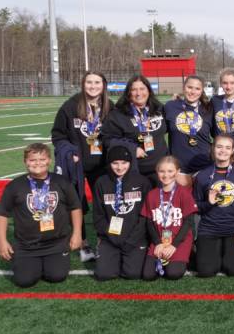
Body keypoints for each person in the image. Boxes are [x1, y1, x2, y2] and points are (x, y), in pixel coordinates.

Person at [0, 144, 82, 287]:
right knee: (24, 280)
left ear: (49, 160)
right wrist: (2, 241)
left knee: (57, 276)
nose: (37, 163)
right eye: (32, 160)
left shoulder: (62, 182)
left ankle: (49, 262)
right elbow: (2, 214)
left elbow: (75, 207)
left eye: (42, 159)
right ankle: (31, 264)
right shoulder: (15, 185)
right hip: (26, 245)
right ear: (25, 162)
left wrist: (77, 233)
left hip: (56, 242)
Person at [51, 70, 111, 261]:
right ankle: (83, 243)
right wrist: (70, 152)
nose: (93, 86)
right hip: (76, 165)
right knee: (76, 203)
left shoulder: (111, 107)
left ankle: (105, 241)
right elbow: (58, 135)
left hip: (102, 164)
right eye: (89, 82)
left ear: (104, 85)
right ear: (83, 84)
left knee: (104, 203)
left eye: (97, 83)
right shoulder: (70, 106)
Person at [193, 135, 234, 278]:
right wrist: (209, 203)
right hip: (209, 229)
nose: (223, 151)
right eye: (219, 146)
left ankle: (224, 252)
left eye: (227, 147)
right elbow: (196, 207)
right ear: (213, 149)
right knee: (206, 271)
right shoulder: (202, 176)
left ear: (233, 151)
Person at [92, 146, 149, 281]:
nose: (119, 167)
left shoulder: (142, 182)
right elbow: (98, 216)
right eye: (115, 163)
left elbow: (145, 216)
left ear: (130, 163)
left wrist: (132, 240)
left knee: (133, 274)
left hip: (134, 238)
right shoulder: (101, 183)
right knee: (103, 274)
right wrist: (111, 237)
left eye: (124, 163)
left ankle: (125, 256)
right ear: (109, 163)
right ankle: (111, 256)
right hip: (110, 237)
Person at [101, 74, 168, 187]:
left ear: (149, 91)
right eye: (134, 90)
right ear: (128, 93)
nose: (138, 93)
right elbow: (107, 139)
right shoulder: (118, 114)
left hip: (160, 169)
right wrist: (131, 148)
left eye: (142, 89)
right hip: (134, 170)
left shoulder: (159, 109)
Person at [141, 156, 198, 281]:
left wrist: (174, 245)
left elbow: (188, 222)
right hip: (160, 240)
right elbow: (149, 222)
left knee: (173, 273)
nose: (166, 175)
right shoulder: (152, 194)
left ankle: (189, 255)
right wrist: (157, 243)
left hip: (179, 240)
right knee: (148, 275)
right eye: (162, 171)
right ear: (157, 172)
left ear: (177, 172)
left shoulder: (184, 193)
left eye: (170, 171)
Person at [164, 75, 214, 185]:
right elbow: (160, 132)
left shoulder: (209, 109)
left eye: (197, 89)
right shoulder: (170, 106)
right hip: (179, 167)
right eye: (189, 87)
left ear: (202, 91)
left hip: (204, 166)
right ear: (183, 88)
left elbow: (217, 134)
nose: (192, 92)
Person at [211, 68, 234, 162]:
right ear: (221, 84)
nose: (228, 86)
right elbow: (211, 126)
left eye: (232, 83)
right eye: (225, 83)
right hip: (220, 153)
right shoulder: (215, 101)